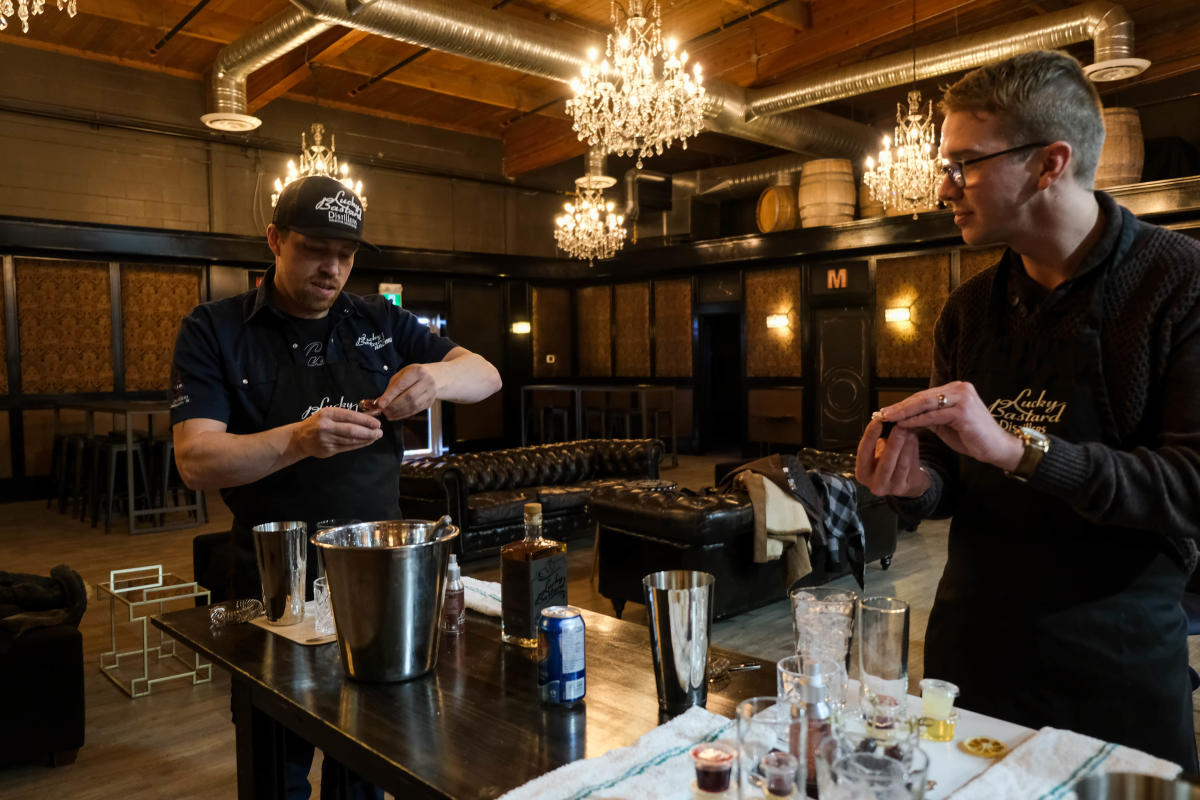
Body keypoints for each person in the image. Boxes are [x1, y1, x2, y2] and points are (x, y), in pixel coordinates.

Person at [855, 50, 1200, 769]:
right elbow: (953, 474)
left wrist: (1020, 449)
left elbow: (1191, 486)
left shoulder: (1178, 284)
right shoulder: (969, 308)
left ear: (1050, 163)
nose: (943, 186)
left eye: (964, 164)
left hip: (1118, 668)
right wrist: (916, 484)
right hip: (972, 659)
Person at [169, 173, 502, 798]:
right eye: (316, 249)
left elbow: (485, 374)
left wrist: (433, 377)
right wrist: (299, 439)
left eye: (346, 254)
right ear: (274, 240)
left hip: (380, 574)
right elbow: (196, 460)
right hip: (275, 577)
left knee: (369, 754)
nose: (333, 268)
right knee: (275, 756)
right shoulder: (214, 328)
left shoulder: (376, 318)